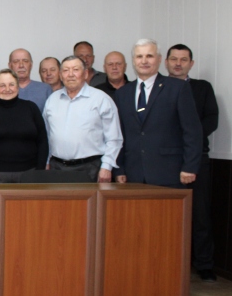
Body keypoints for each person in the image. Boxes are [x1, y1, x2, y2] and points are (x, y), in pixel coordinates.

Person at [113, 39, 202, 189]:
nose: (144, 61)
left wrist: (190, 166)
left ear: (160, 59)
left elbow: (192, 131)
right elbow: (119, 133)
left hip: (169, 172)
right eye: (139, 56)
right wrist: (119, 168)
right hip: (133, 174)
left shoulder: (178, 88)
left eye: (149, 56)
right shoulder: (123, 93)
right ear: (133, 61)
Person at [165, 43, 220, 282]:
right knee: (167, 214)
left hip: (197, 158)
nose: (178, 63)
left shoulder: (202, 88)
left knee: (200, 213)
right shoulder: (159, 88)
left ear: (191, 64)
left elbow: (211, 119)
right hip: (166, 159)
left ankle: (204, 264)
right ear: (166, 62)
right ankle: (170, 261)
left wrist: (191, 141)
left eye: (183, 59)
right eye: (174, 59)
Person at [43, 56, 122, 182]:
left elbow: (114, 138)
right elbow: (46, 135)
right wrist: (46, 161)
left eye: (75, 70)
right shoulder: (52, 100)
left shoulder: (101, 99)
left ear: (85, 74)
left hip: (90, 168)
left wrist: (107, 167)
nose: (70, 75)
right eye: (66, 70)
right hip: (57, 168)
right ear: (61, 75)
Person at [0, 69, 48, 183]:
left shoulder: (31, 108)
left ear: (17, 87)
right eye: (2, 85)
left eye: (11, 84)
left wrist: (40, 172)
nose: (7, 89)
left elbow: (43, 141)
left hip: (29, 175)